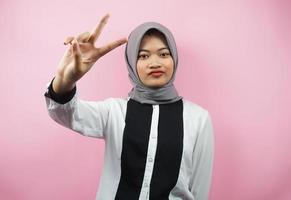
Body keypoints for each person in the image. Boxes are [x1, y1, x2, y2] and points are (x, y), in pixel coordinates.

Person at [44, 14, 214, 200]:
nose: (155, 62)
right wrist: (65, 80)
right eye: (143, 56)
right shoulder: (114, 112)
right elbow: (66, 114)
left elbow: (199, 190)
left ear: (174, 59)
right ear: (132, 62)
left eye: (164, 54)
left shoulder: (198, 118)